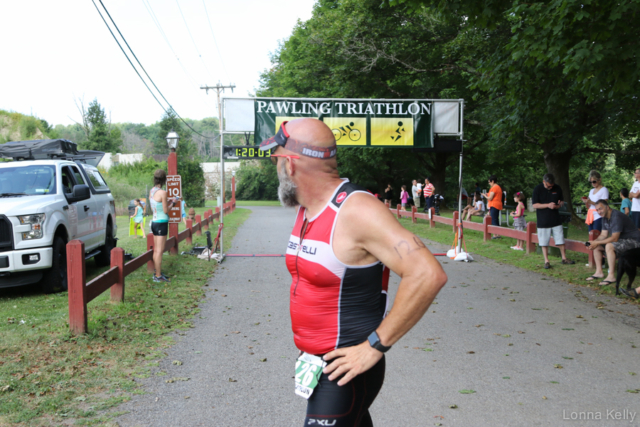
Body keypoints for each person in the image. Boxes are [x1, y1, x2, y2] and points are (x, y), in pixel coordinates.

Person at [259, 118, 447, 426]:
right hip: (317, 362)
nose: (276, 169)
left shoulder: (356, 210)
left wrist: (375, 346)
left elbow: (428, 273)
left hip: (346, 366)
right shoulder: (306, 208)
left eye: (277, 160)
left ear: (290, 165)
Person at [586, 199, 640, 286]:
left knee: (609, 246)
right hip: (622, 241)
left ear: (607, 207)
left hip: (635, 241)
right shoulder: (604, 218)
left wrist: (597, 242)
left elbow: (614, 238)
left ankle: (611, 276)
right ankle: (599, 272)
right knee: (597, 246)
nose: (599, 212)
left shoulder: (616, 216)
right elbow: (603, 235)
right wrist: (594, 242)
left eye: (600, 209)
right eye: (597, 210)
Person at [531, 173, 575, 269]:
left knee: (560, 239)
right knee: (544, 241)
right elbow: (535, 205)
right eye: (548, 186)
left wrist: (558, 205)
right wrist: (548, 205)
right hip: (543, 220)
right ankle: (546, 261)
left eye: (552, 186)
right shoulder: (537, 189)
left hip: (556, 219)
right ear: (544, 182)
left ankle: (564, 258)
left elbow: (561, 202)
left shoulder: (558, 188)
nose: (550, 187)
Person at [149, 169, 177, 283]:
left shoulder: (152, 191)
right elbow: (166, 211)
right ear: (165, 179)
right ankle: (158, 276)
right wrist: (173, 203)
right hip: (162, 223)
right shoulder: (163, 192)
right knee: (160, 251)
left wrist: (167, 200)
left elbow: (156, 204)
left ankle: (157, 273)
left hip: (155, 222)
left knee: (156, 250)